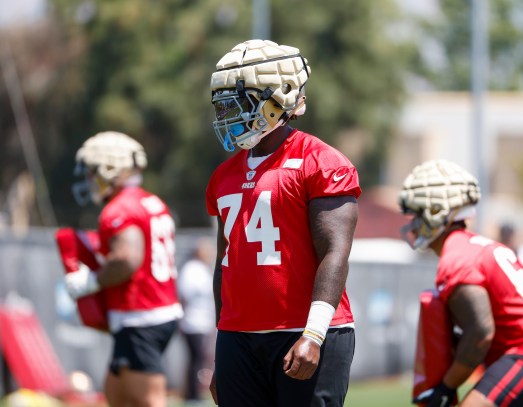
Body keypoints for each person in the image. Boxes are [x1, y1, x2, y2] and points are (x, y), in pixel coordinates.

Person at [205, 39, 360, 407]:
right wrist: (221, 346)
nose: (228, 112)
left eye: (237, 102)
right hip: (239, 337)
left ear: (279, 100)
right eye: (222, 103)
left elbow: (335, 253)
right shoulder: (223, 176)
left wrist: (314, 334)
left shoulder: (322, 161)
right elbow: (224, 263)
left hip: (304, 332)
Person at [399, 159, 523, 407]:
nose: (414, 223)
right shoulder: (473, 245)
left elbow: (481, 333)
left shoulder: (457, 258)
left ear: (436, 211)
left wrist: (446, 386)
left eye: (419, 213)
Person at [64, 131, 182, 407]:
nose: (89, 180)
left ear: (109, 169)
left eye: (93, 172)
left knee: (148, 401)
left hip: (140, 317)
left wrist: (89, 282)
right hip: (154, 311)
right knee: (116, 393)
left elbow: (127, 259)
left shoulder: (119, 209)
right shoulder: (150, 201)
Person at [177, 238, 216, 404]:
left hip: (203, 322)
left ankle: (193, 392)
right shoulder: (191, 269)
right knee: (196, 358)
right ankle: (192, 394)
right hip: (192, 322)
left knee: (199, 359)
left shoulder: (202, 269)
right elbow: (184, 294)